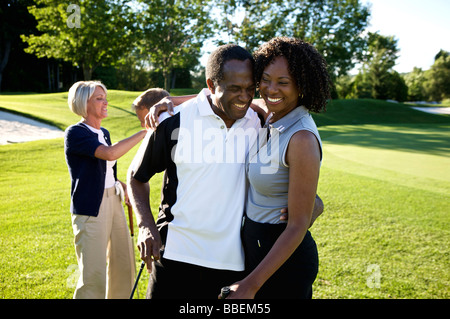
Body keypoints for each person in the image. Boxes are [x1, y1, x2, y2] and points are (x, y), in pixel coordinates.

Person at [127, 44, 324, 299]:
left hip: (234, 265)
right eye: (234, 89)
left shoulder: (261, 121)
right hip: (174, 255)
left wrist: (315, 203)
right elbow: (136, 176)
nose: (244, 97)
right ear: (211, 85)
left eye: (249, 89)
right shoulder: (173, 121)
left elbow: (293, 175)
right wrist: (145, 225)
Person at [223, 37, 331, 299]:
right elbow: (221, 94)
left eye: (283, 82)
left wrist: (251, 284)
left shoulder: (301, 137)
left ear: (301, 85)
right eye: (266, 79)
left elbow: (297, 226)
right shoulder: (272, 116)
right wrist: (167, 100)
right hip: (255, 249)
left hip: (283, 263)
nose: (271, 89)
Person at [64, 81, 147, 299]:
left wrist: (121, 185)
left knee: (123, 263)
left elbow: (105, 170)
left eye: (105, 97)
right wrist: (144, 132)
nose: (105, 102)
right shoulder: (76, 133)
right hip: (91, 208)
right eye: (99, 98)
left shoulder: (105, 132)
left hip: (114, 201)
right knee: (94, 274)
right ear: (84, 103)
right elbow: (110, 154)